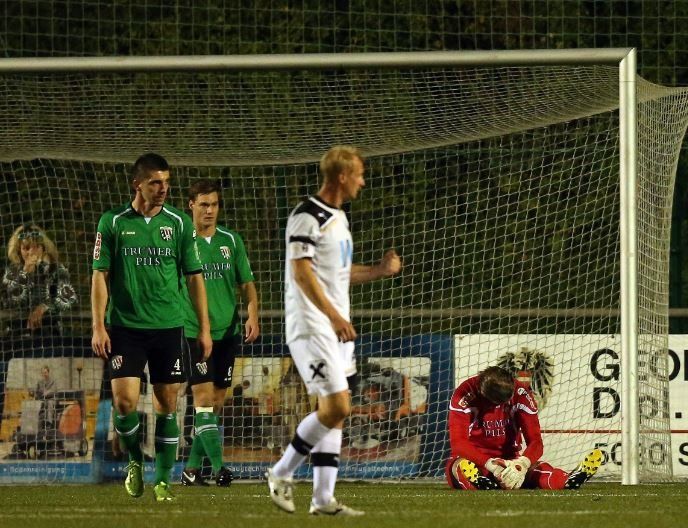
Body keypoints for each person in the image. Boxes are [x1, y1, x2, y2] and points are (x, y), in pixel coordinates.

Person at [266, 145, 402, 516]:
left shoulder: (339, 218)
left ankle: (323, 498)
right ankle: (281, 472)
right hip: (312, 325)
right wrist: (334, 317)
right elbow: (301, 272)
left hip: (335, 328)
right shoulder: (307, 215)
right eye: (359, 174)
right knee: (338, 404)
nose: (363, 181)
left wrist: (378, 270)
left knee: (336, 412)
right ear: (342, 176)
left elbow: (338, 273)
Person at [91, 153, 211, 502]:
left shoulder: (179, 223)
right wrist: (98, 325)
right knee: (124, 403)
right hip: (125, 327)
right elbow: (100, 276)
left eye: (166, 182)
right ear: (137, 184)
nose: (163, 189)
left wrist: (204, 328)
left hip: (168, 327)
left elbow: (195, 278)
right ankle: (133, 460)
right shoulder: (113, 222)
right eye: (155, 182)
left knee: (166, 403)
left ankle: (162, 481)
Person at [179, 178, 259, 487]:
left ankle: (191, 469)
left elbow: (247, 283)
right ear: (191, 205)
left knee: (214, 404)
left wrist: (253, 314)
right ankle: (219, 467)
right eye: (204, 204)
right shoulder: (182, 243)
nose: (210, 210)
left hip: (228, 333)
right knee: (202, 399)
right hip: (194, 333)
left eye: (214, 204)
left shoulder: (231, 241)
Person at [445, 365, 603, 491]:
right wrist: (491, 465)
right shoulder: (463, 394)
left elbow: (536, 442)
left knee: (536, 469)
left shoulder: (521, 393)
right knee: (458, 467)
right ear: (482, 392)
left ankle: (567, 480)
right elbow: (459, 444)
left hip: (510, 461)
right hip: (475, 460)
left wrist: (521, 465)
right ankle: (480, 481)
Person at [2, 223, 77, 341]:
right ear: (19, 250)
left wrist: (44, 307)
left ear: (43, 248)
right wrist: (24, 274)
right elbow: (8, 303)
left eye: (37, 247)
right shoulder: (12, 271)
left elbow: (69, 299)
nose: (31, 252)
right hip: (17, 335)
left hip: (51, 334)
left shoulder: (56, 269)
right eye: (26, 248)